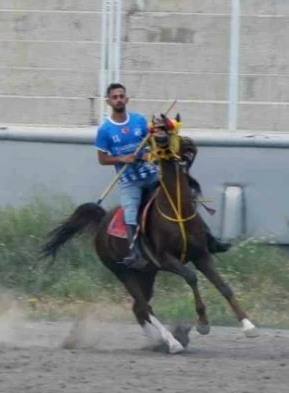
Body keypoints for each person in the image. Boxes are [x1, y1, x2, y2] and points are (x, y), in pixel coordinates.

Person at [95, 83, 230, 268]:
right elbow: (102, 159)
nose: (118, 99)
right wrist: (123, 158)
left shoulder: (139, 121)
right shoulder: (105, 130)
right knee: (130, 212)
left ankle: (210, 240)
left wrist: (150, 150)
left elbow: (151, 144)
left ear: (127, 99)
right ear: (108, 101)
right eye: (114, 97)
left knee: (184, 197)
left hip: (152, 175)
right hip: (130, 182)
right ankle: (135, 253)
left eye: (121, 96)